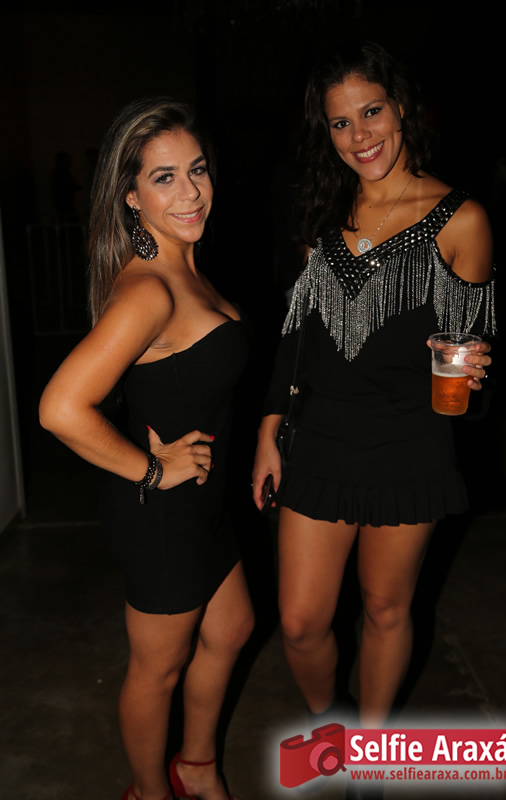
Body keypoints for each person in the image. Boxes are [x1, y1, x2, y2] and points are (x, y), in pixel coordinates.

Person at [252, 42, 495, 731]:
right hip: (320, 438)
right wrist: (268, 433)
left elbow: (470, 362)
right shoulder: (321, 210)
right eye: (340, 122)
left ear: (401, 109)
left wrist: (473, 371)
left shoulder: (462, 219)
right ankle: (331, 720)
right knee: (300, 622)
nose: (359, 136)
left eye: (371, 112)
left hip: (408, 441)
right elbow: (296, 338)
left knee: (387, 608)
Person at [40, 98, 253, 800]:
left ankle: (196, 766)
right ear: (130, 195)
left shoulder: (184, 265)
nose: (190, 192)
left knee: (232, 629)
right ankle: (148, 792)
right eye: (164, 178)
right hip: (161, 514)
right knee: (156, 672)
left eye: (197, 170)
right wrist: (153, 470)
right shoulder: (148, 290)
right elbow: (60, 408)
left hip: (203, 504)